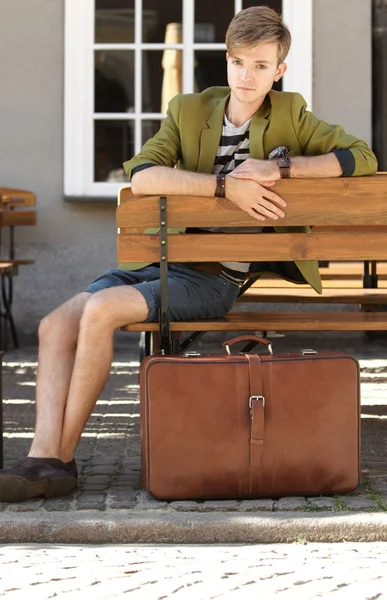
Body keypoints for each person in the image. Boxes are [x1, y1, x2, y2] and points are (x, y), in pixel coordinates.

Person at [0, 6, 377, 503]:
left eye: (261, 66)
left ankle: (57, 463)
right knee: (53, 325)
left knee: (100, 310)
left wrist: (279, 170)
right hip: (162, 261)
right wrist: (225, 187)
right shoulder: (189, 109)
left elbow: (361, 157)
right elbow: (143, 175)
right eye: (239, 62)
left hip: (215, 278)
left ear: (279, 71)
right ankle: (43, 456)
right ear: (226, 61)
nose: (248, 75)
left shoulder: (290, 115)